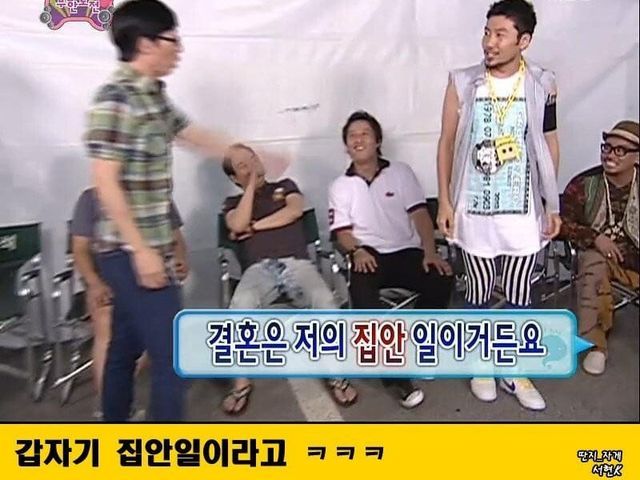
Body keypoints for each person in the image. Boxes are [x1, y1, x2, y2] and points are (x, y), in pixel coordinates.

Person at [86, 0, 271, 421]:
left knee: (125, 345)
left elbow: (189, 133)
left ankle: (114, 423)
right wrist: (143, 251)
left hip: (146, 249)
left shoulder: (153, 95)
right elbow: (105, 182)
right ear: (146, 44)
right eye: (173, 39)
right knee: (174, 356)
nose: (180, 48)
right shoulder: (115, 99)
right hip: (128, 251)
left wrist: (243, 153)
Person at [435, 0, 561, 410]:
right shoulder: (462, 82)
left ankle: (514, 369)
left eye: (500, 34)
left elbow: (549, 141)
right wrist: (445, 201)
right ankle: (481, 366)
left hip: (523, 210)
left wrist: (551, 202)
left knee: (521, 293)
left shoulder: (543, 83)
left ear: (524, 41)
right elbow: (447, 142)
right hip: (473, 209)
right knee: (478, 290)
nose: (489, 42)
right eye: (487, 32)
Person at [329, 110, 454, 409]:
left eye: (365, 134)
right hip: (368, 255)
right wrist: (355, 250)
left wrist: (430, 251)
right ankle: (396, 378)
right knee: (362, 297)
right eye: (352, 136)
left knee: (441, 276)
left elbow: (420, 215)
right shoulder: (340, 186)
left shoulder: (400, 172)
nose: (358, 140)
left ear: (377, 141)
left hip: (405, 251)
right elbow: (341, 232)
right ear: (346, 146)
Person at [221, 143, 358, 414]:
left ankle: (337, 377)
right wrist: (250, 188)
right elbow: (236, 224)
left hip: (297, 265)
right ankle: (241, 384)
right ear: (234, 178)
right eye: (242, 166)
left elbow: (294, 211)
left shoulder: (286, 186)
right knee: (239, 307)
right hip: (259, 269)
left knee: (324, 301)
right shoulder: (232, 203)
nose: (252, 167)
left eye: (252, 159)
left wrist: (253, 227)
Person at [70, 187, 188, 420]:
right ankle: (107, 406)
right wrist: (94, 283)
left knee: (132, 342)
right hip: (109, 280)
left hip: (153, 275)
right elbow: (80, 250)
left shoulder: (157, 193)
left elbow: (176, 237)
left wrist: (181, 258)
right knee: (111, 328)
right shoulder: (91, 198)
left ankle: (116, 409)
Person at [560, 121, 639, 375]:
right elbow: (561, 224)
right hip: (601, 261)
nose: (610, 155)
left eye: (620, 150)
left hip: (635, 261)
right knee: (593, 262)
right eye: (607, 147)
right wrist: (595, 237)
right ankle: (596, 346)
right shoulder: (583, 184)